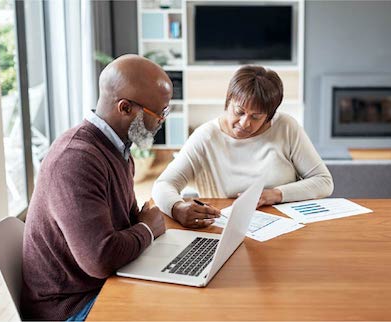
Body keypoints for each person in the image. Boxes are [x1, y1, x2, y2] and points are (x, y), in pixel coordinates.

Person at [21, 55, 172, 321]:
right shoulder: (76, 160)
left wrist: (147, 222)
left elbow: (120, 226)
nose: (161, 121)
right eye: (157, 113)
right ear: (125, 108)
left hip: (101, 285)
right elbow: (99, 259)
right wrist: (147, 228)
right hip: (73, 306)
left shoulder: (117, 149)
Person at [152, 65, 333, 228]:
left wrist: (276, 194)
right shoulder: (205, 137)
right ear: (228, 101)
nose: (245, 123)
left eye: (256, 117)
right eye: (239, 111)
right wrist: (177, 207)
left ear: (269, 116)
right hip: (225, 229)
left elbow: (324, 182)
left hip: (287, 227)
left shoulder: (286, 127)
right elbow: (163, 184)